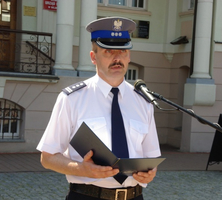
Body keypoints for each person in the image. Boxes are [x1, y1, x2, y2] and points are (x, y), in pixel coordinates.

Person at [36, 16, 161, 200]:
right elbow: (47, 158)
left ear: (129, 56)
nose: (117, 58)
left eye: (123, 51)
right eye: (108, 52)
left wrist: (150, 173)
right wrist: (81, 169)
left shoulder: (143, 102)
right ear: (93, 57)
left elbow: (151, 158)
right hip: (87, 195)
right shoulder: (72, 99)